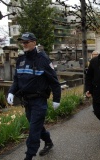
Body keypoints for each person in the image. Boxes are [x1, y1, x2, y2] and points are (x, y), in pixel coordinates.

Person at [7, 32, 61, 160]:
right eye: (23, 42)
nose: (24, 44)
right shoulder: (21, 59)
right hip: (27, 102)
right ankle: (48, 142)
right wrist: (11, 91)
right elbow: (16, 80)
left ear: (34, 42)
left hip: (39, 101)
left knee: (33, 131)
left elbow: (54, 81)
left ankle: (29, 156)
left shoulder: (43, 59)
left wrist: (57, 99)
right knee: (35, 126)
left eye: (27, 42)